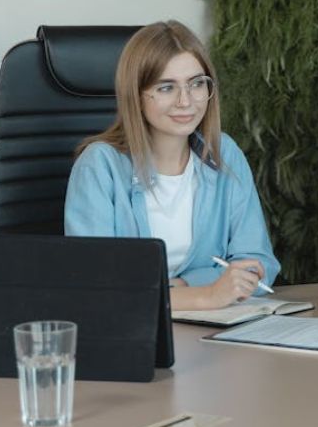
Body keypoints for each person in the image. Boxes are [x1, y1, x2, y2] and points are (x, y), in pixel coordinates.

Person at [64, 21, 280, 311]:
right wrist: (207, 293)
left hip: (216, 333)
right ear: (136, 96)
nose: (185, 101)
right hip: (132, 338)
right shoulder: (99, 166)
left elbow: (258, 263)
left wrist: (182, 285)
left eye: (197, 84)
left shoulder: (222, 151)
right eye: (166, 87)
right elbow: (96, 287)